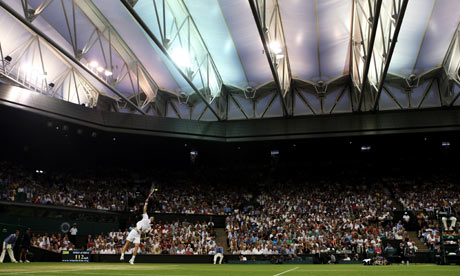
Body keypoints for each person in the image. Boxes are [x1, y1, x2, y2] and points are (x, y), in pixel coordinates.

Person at [120, 199, 154, 264]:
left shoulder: (149, 227)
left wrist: (142, 231)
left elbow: (144, 233)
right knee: (127, 243)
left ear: (152, 221)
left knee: (137, 246)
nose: (152, 218)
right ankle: (122, 256)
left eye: (153, 218)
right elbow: (144, 209)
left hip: (138, 234)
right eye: (152, 217)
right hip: (134, 231)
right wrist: (146, 203)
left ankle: (132, 259)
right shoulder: (146, 217)